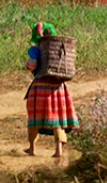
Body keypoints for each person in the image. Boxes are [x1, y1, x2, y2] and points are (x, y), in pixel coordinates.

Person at [24, 21, 78, 160]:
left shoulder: (36, 49)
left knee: (34, 118)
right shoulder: (60, 48)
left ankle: (32, 148)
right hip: (58, 87)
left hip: (41, 87)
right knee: (57, 118)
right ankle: (58, 149)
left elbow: (32, 65)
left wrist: (28, 66)